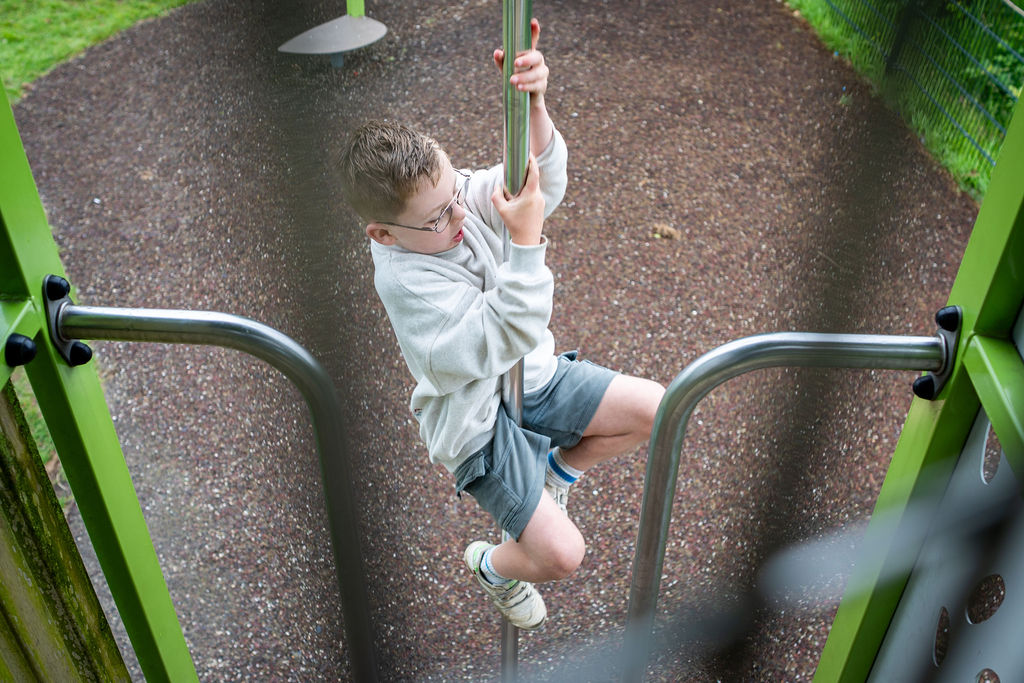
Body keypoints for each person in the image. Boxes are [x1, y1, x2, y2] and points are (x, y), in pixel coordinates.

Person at [338, 19, 665, 630]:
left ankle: (556, 473)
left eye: (455, 193)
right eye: (438, 218)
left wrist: (534, 107)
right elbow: (506, 329)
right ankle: (491, 566)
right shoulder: (409, 285)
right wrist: (527, 239)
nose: (460, 215)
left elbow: (534, 181)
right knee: (562, 555)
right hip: (479, 423)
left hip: (530, 375)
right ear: (382, 234)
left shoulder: (449, 201)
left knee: (657, 410)